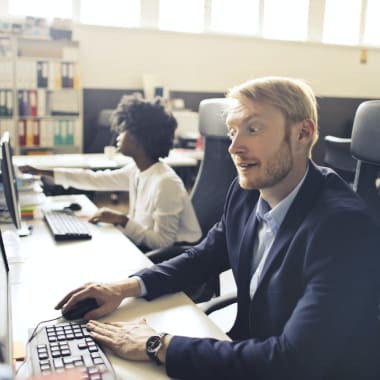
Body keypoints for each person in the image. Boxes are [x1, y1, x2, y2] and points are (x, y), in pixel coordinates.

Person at [54, 77, 380, 380]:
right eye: (233, 130)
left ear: (302, 133)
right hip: (247, 357)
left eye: (253, 129)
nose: (234, 147)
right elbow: (204, 256)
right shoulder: (246, 192)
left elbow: (293, 360)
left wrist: (158, 345)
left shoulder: (342, 227)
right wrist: (124, 288)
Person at [19, 94, 201, 251]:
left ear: (141, 137)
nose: (118, 135)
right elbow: (93, 179)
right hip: (146, 248)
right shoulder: (138, 171)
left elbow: (163, 244)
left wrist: (121, 219)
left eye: (124, 129)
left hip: (172, 259)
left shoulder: (165, 183)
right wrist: (42, 171)